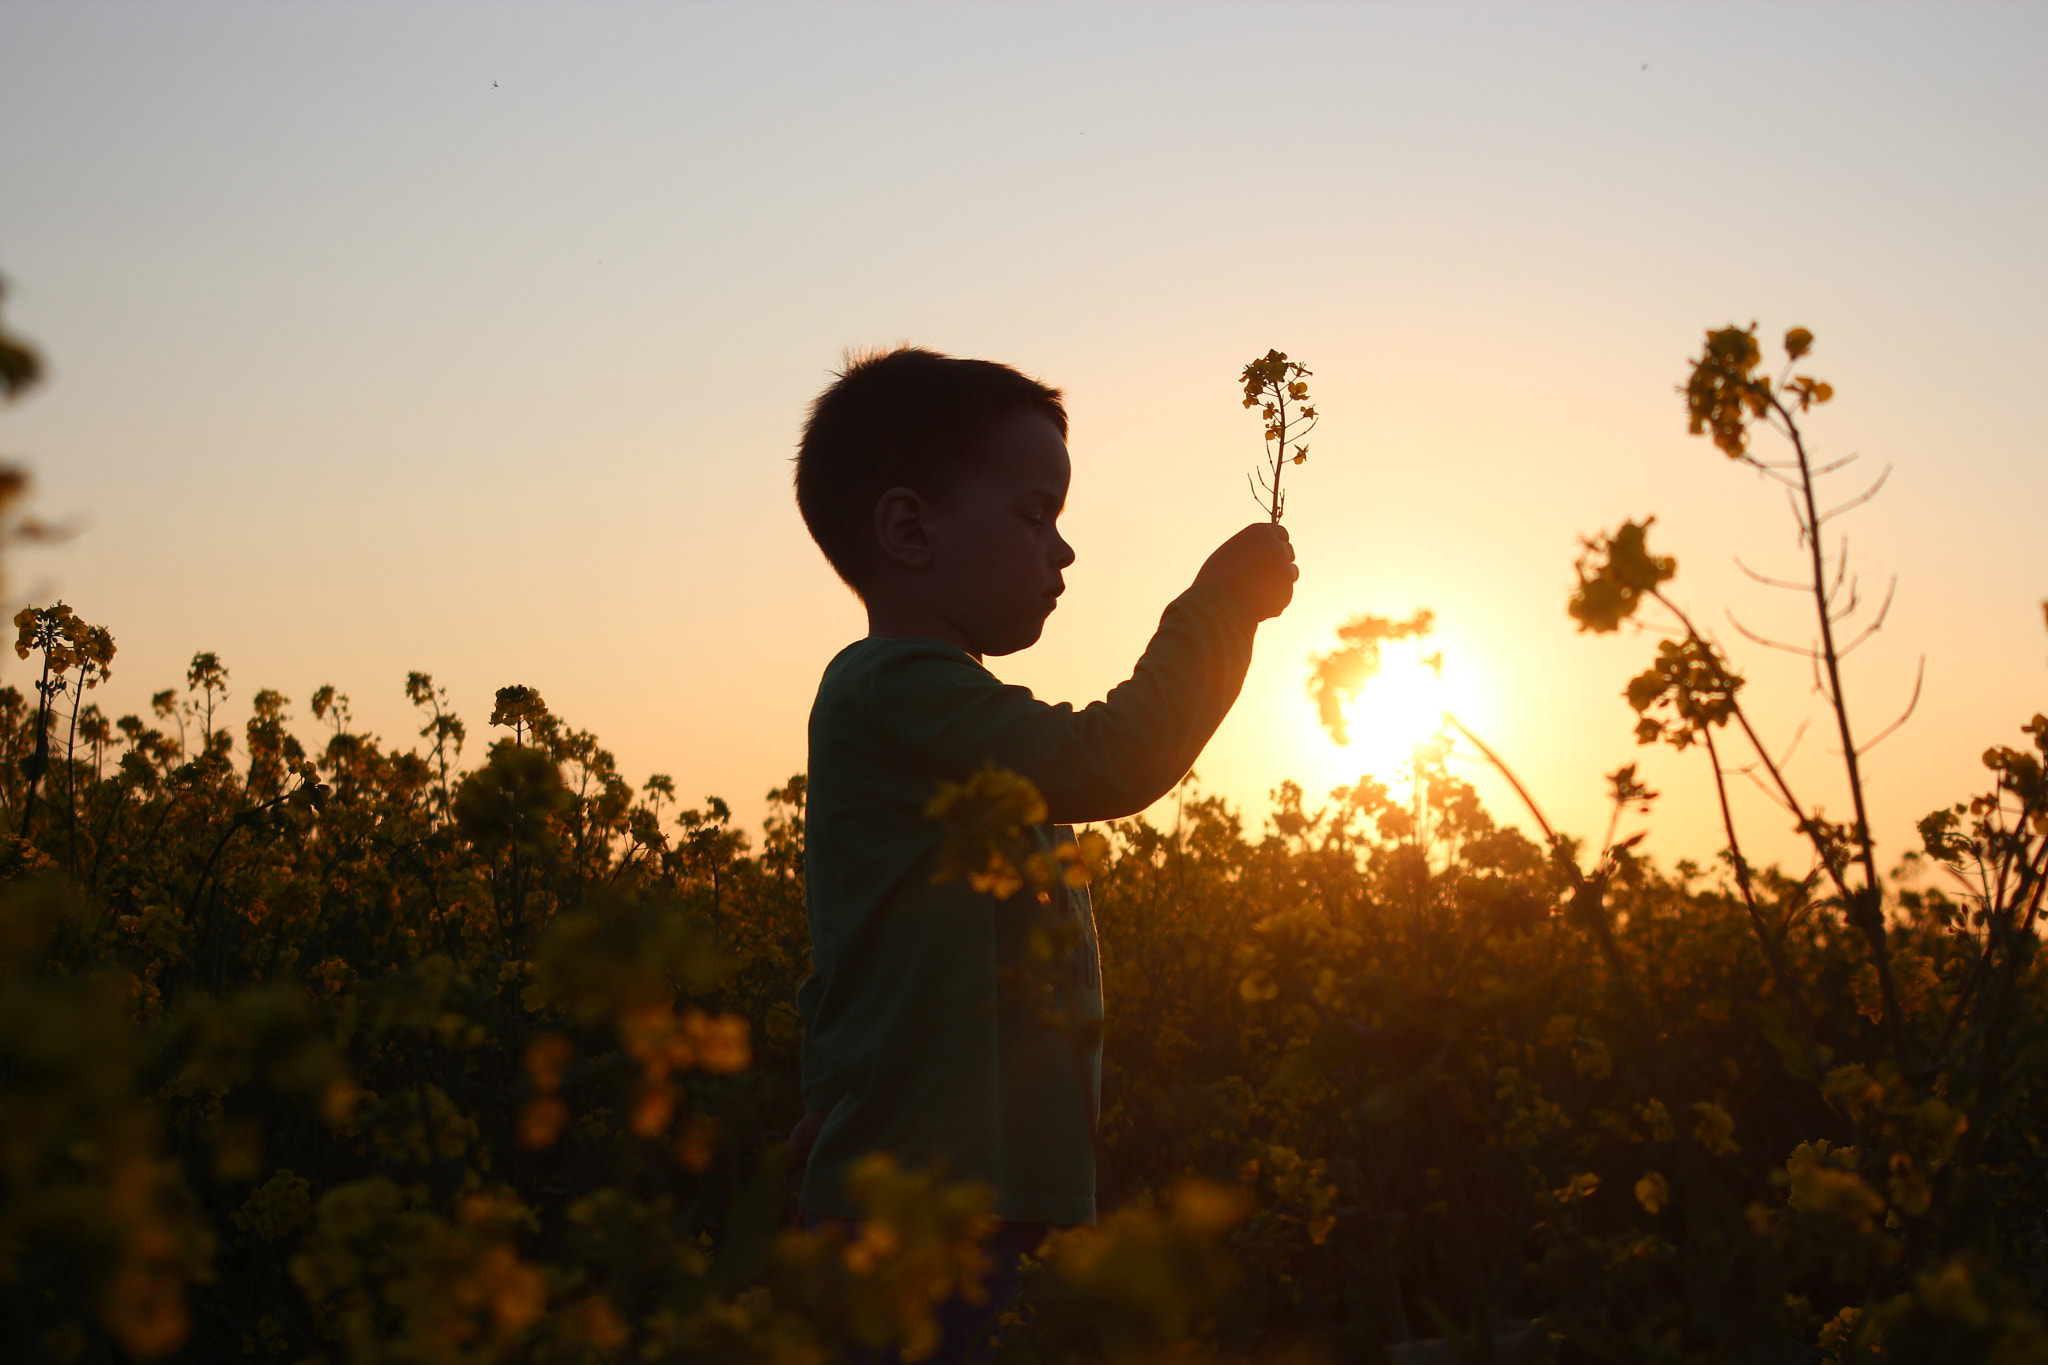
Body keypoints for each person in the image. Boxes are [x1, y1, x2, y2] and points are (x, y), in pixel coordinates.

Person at [787, 346, 1297, 1360]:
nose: (1061, 552)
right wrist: (1218, 606)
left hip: (973, 1198)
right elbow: (1112, 757)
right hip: (923, 1207)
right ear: (907, 529)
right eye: (1033, 516)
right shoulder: (894, 691)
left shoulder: (945, 716)